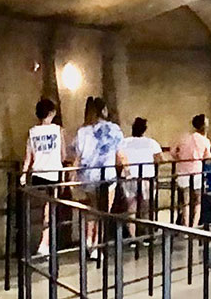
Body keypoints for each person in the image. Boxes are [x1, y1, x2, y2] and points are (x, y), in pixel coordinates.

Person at [73, 95, 123, 249]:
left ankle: (88, 239)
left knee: (92, 209)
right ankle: (97, 244)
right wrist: (126, 169)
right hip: (107, 175)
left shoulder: (82, 131)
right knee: (104, 212)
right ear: (103, 110)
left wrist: (72, 174)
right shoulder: (113, 129)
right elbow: (120, 153)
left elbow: (78, 155)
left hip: (87, 175)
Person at [24, 96, 69, 255]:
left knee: (40, 210)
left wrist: (24, 175)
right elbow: (63, 155)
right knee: (50, 210)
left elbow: (29, 156)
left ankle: (42, 242)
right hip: (53, 173)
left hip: (37, 173)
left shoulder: (32, 132)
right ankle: (45, 243)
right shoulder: (58, 130)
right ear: (51, 113)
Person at [119, 115, 164, 230]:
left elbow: (119, 158)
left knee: (131, 208)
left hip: (129, 176)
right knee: (146, 207)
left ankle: (132, 237)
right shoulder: (151, 143)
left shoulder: (124, 142)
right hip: (146, 176)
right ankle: (146, 235)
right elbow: (161, 159)